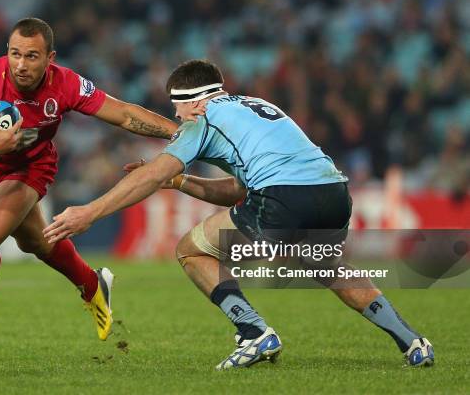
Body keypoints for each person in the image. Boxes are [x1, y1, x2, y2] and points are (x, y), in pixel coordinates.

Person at [43, 59, 434, 369]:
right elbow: (238, 189)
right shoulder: (256, 106)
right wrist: (181, 184)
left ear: (193, 100)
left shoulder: (204, 118)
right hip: (333, 192)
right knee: (329, 269)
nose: (177, 116)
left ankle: (254, 332)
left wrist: (90, 212)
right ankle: (412, 341)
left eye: (176, 106)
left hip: (283, 197)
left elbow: (152, 173)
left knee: (190, 251)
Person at [0, 18, 178, 347]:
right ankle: (92, 284)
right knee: (35, 243)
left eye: (31, 56)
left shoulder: (65, 84)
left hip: (32, 167)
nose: (21, 64)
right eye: (15, 54)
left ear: (50, 58)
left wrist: (180, 133)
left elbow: (125, 114)